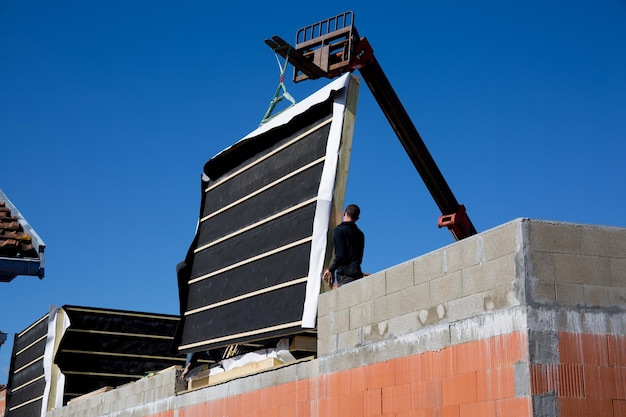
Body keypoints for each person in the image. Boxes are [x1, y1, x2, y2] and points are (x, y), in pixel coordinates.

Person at [323, 204, 365, 288]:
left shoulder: (339, 231)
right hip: (358, 275)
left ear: (344, 213)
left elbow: (340, 256)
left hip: (345, 277)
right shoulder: (360, 234)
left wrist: (330, 269)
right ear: (357, 219)